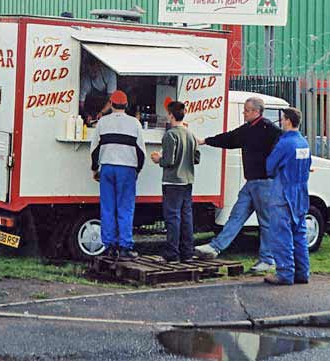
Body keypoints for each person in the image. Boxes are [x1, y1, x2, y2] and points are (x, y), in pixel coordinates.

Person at [194, 96, 282, 273]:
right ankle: (215, 247)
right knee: (236, 215)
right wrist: (206, 141)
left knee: (265, 222)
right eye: (244, 109)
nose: (244, 113)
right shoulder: (248, 128)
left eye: (247, 110)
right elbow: (230, 138)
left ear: (257, 111)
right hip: (251, 183)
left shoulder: (270, 130)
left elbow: (284, 148)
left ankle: (267, 259)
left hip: (265, 183)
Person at [90, 90, 146, 260]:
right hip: (127, 169)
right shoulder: (135, 123)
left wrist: (95, 169)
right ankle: (124, 247)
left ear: (111, 104)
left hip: (107, 167)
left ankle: (109, 247)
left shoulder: (102, 122)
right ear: (126, 105)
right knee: (125, 208)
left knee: (107, 208)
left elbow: (94, 149)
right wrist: (137, 170)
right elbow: (141, 151)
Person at [263, 107, 312, 285]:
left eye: (282, 119)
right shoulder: (303, 143)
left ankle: (284, 273)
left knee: (281, 233)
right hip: (301, 192)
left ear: (288, 121)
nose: (281, 122)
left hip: (283, 192)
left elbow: (269, 166)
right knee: (299, 233)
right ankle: (302, 273)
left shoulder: (284, 143)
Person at [150, 101, 200, 263]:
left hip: (172, 181)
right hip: (187, 180)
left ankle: (172, 253)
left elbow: (169, 161)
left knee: (172, 218)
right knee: (187, 217)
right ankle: (187, 253)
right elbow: (197, 158)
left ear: (170, 115)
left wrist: (158, 159)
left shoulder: (170, 135)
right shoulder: (190, 134)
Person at [79, 55, 117, 121]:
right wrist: (86, 114)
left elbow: (112, 99)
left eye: (94, 69)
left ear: (99, 66)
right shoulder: (85, 79)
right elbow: (81, 103)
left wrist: (102, 112)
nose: (92, 71)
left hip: (106, 109)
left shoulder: (110, 74)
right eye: (89, 69)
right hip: (91, 108)